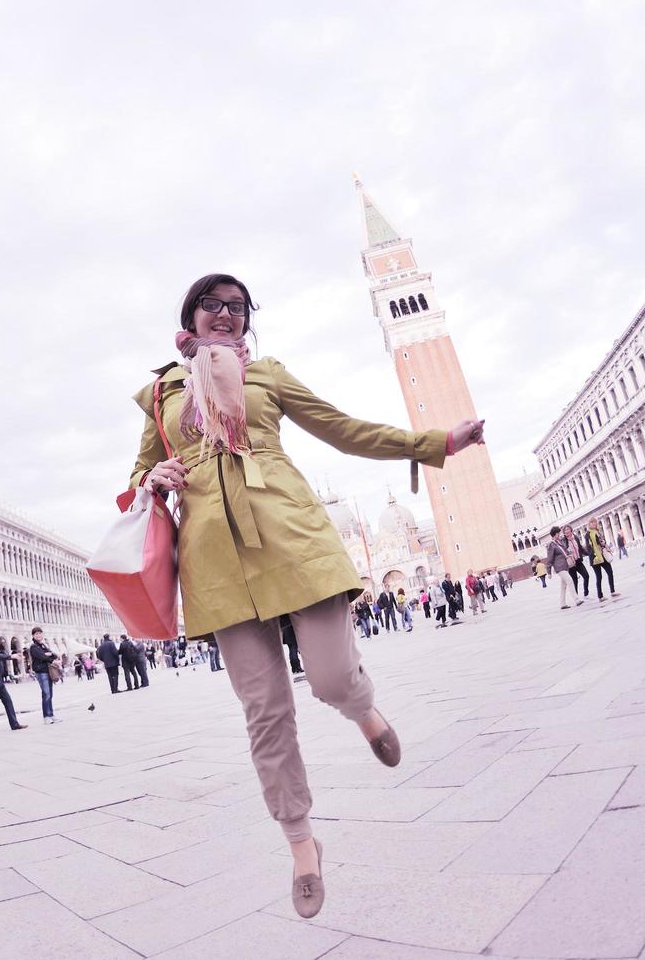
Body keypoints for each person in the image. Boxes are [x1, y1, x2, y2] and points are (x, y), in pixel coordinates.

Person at [127, 273, 485, 918]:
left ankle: (363, 710)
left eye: (237, 308)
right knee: (265, 711)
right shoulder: (161, 394)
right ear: (191, 316)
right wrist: (153, 476)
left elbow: (342, 428)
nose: (225, 315)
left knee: (330, 679)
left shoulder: (268, 375)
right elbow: (134, 479)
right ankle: (301, 844)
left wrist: (432, 444)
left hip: (294, 537)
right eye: (212, 305)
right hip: (214, 562)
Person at [28, 626, 60, 724]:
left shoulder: (43, 645)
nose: (38, 635)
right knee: (46, 694)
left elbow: (54, 654)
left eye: (40, 633)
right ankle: (46, 716)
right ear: (33, 636)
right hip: (41, 672)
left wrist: (48, 655)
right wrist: (48, 656)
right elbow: (41, 656)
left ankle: (51, 714)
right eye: (36, 633)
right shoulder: (34, 646)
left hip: (47, 671)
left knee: (49, 694)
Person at [584, 517, 618, 600]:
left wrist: (605, 546)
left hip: (603, 555)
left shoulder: (598, 532)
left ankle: (612, 591)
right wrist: (595, 554)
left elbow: (602, 542)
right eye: (592, 522)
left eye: (595, 522)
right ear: (589, 524)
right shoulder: (587, 534)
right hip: (595, 557)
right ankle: (600, 596)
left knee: (610, 572)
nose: (594, 524)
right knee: (599, 577)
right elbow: (589, 546)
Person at [544, 526, 578, 610]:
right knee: (570, 581)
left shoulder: (559, 543)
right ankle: (576, 599)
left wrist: (570, 553)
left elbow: (565, 552)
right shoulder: (551, 545)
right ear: (555, 534)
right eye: (558, 533)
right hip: (559, 567)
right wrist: (548, 572)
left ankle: (562, 604)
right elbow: (550, 559)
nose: (560, 534)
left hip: (565, 566)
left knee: (563, 586)